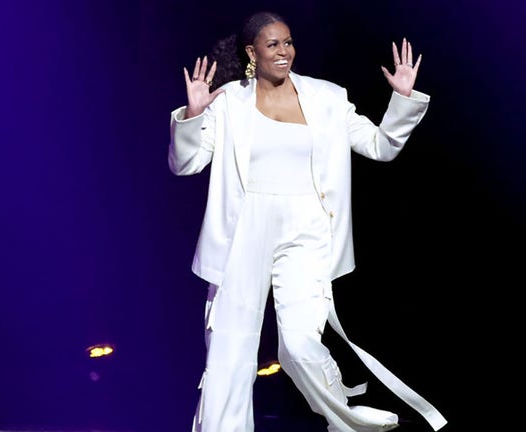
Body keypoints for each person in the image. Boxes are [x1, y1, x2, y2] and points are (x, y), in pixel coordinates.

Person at [168, 11, 447, 432]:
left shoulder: (327, 98)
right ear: (252, 52)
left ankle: (347, 422)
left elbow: (379, 146)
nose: (284, 52)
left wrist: (402, 100)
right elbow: (185, 164)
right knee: (229, 352)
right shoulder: (228, 101)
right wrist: (191, 115)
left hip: (308, 228)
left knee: (299, 344)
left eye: (289, 42)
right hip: (244, 230)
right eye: (273, 44)